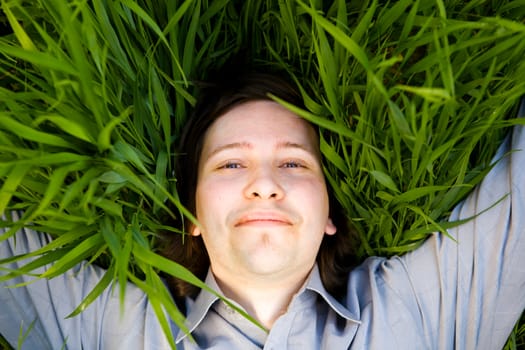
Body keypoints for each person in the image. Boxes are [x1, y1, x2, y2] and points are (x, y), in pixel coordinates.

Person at [1, 64, 524, 349]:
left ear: (328, 217)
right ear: (192, 216)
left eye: (295, 164)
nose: (265, 185)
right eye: (231, 165)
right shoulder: (112, 331)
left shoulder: (416, 308)